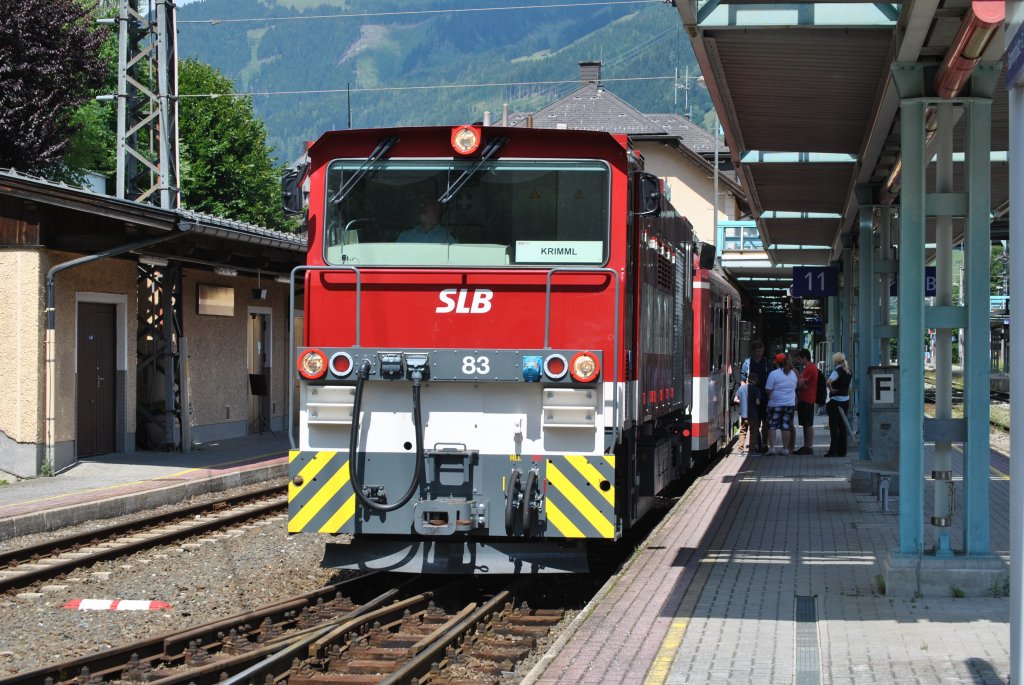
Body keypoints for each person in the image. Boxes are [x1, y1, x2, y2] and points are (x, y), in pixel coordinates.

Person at [764, 352, 798, 455]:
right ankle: (785, 449)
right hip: (790, 404)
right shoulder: (793, 374)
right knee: (786, 426)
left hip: (775, 404)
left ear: (776, 362)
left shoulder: (773, 374)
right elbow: (795, 388)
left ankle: (772, 448)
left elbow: (768, 390)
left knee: (772, 426)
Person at [741, 342, 771, 453]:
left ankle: (764, 443)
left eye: (761, 351)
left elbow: (771, 378)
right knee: (755, 422)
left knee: (766, 422)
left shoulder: (767, 363)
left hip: (765, 396)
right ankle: (757, 443)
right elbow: (743, 379)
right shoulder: (747, 363)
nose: (760, 353)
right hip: (752, 396)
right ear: (753, 351)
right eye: (758, 351)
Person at [824, 352, 852, 457]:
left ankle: (833, 450)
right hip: (845, 400)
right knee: (842, 426)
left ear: (835, 361)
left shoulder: (836, 371)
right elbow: (850, 388)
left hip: (835, 401)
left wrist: (831, 389)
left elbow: (828, 381)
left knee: (834, 426)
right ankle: (842, 450)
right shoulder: (849, 372)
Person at [793, 348, 818, 455]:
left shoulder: (809, 369)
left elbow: (800, 384)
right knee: (805, 424)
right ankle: (806, 445)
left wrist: (797, 376)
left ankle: (808, 446)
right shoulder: (809, 368)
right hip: (806, 398)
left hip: (807, 399)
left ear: (804, 358)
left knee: (808, 424)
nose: (798, 361)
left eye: (799, 359)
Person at [745, 372, 765, 454]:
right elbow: (757, 402)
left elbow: (736, 399)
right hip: (753, 413)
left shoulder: (743, 388)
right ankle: (752, 449)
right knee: (754, 431)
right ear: (755, 380)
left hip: (744, 414)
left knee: (743, 432)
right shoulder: (756, 389)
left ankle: (740, 449)